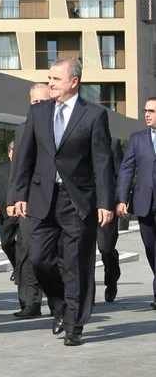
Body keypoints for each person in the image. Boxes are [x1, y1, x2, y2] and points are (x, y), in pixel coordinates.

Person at [14, 57, 114, 346]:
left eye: (56, 79)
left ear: (74, 82)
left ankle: (74, 325)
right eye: (49, 78)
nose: (50, 84)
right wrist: (19, 195)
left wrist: (105, 202)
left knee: (76, 265)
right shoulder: (39, 113)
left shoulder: (94, 115)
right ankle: (60, 305)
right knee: (38, 259)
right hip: (42, 198)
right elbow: (25, 156)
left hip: (77, 200)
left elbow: (103, 162)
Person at [6, 83, 51, 318]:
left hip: (54, 200)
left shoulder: (61, 126)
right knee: (25, 251)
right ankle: (29, 303)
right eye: (35, 103)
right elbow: (17, 168)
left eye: (43, 102)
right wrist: (13, 199)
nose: (39, 107)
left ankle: (58, 302)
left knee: (51, 254)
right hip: (28, 201)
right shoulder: (22, 130)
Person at [116, 97, 156, 310]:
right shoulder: (137, 139)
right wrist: (122, 199)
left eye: (152, 111)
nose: (147, 114)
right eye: (145, 110)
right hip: (144, 202)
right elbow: (126, 170)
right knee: (150, 246)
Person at [97, 137, 123, 302]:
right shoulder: (79, 140)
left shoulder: (112, 143)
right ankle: (86, 293)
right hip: (82, 204)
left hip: (107, 205)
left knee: (106, 248)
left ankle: (112, 278)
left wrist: (120, 201)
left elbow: (121, 174)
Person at [0, 141, 18, 282]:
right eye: (12, 152)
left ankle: (21, 272)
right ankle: (17, 266)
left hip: (23, 213)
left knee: (24, 245)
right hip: (5, 214)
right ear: (9, 154)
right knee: (6, 243)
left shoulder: (26, 168)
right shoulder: (1, 170)